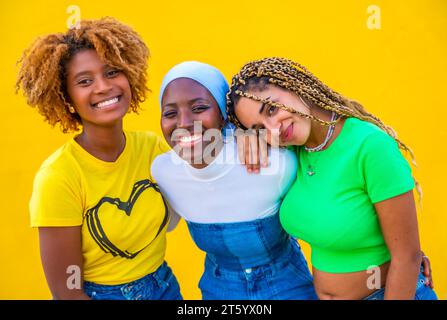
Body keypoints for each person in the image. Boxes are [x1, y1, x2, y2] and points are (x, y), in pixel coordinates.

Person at [226, 57, 438, 300]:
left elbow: (407, 258)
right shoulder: (294, 152)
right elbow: (209, 136)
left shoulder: (369, 146)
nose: (272, 129)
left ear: (293, 84)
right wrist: (241, 136)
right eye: (259, 129)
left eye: (272, 109)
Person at [16, 17, 182, 300]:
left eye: (112, 72)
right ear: (66, 97)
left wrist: (246, 140)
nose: (103, 87)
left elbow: (208, 178)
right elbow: (67, 292)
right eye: (84, 81)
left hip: (164, 286)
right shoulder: (59, 177)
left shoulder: (152, 148)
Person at [151, 61, 318, 300]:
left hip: (288, 288)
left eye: (199, 108)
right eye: (170, 113)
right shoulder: (163, 172)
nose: (184, 123)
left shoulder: (274, 162)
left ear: (222, 115)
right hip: (217, 291)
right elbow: (163, 225)